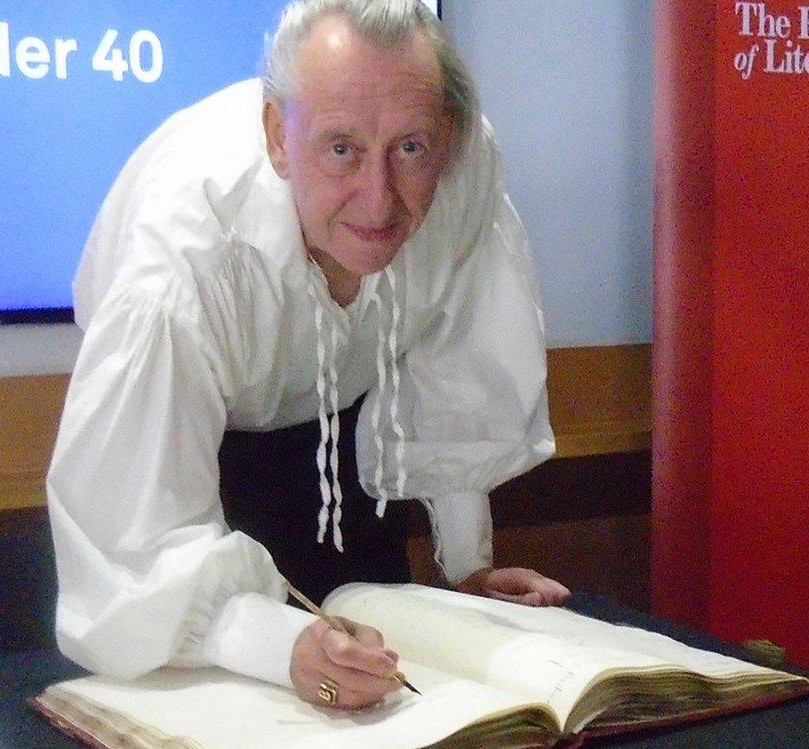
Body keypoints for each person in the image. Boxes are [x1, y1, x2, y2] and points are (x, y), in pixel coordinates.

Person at [47, 0, 570, 712]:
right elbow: (132, 541)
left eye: (410, 148)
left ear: (444, 136)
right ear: (277, 137)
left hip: (353, 429)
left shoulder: (464, 173)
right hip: (195, 447)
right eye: (342, 149)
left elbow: (454, 370)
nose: (378, 199)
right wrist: (275, 643)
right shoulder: (181, 263)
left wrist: (466, 570)